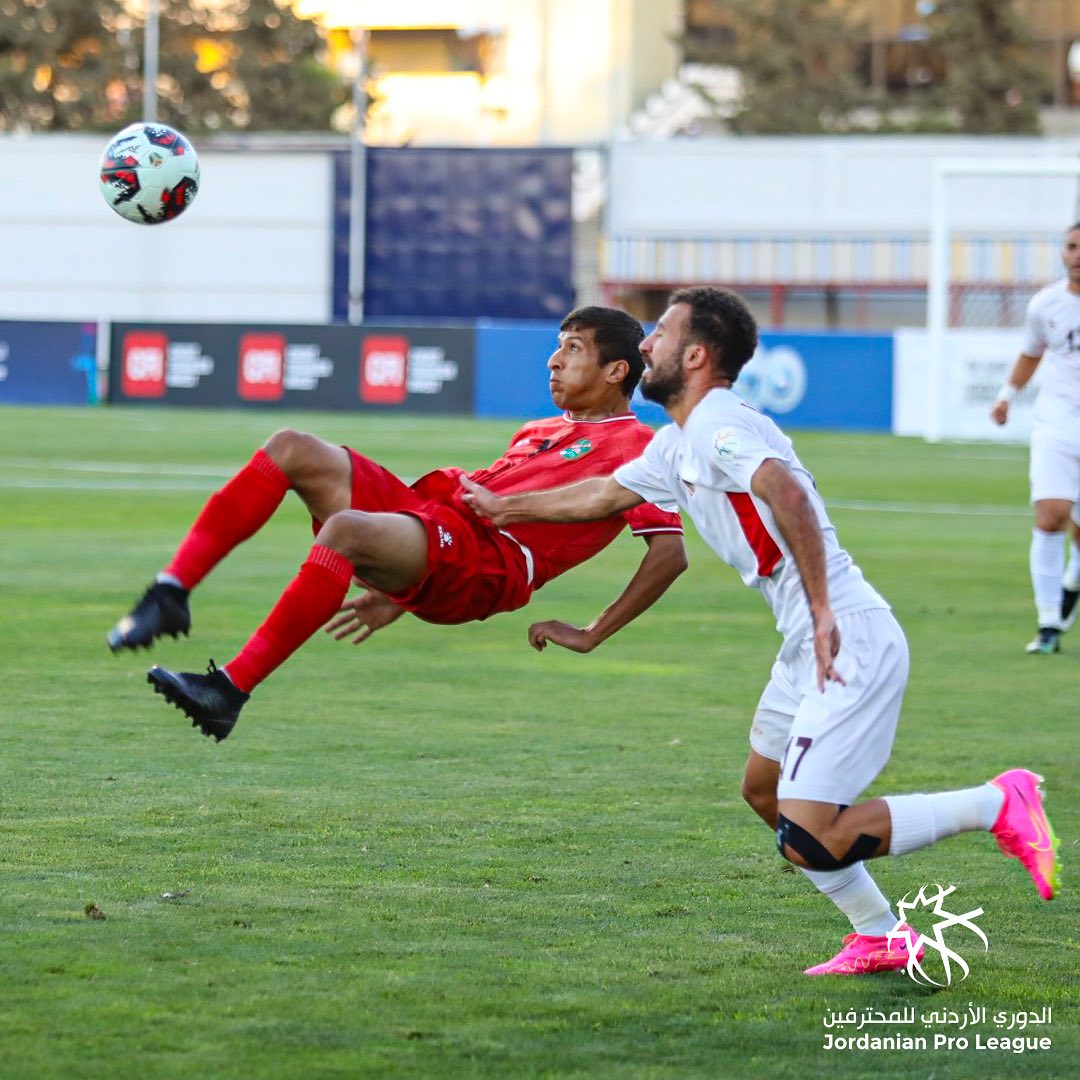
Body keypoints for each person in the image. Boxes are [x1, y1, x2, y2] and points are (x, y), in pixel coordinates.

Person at [462, 285, 1061, 976]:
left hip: (844, 635)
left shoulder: (719, 426)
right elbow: (602, 494)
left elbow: (785, 489)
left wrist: (824, 610)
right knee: (765, 793)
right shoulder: (676, 441)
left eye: (659, 333)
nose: (645, 343)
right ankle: (880, 934)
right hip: (804, 639)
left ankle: (998, 801)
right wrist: (505, 509)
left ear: (693, 355)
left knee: (812, 834)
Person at [108, 305, 686, 741]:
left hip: (491, 563)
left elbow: (669, 553)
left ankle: (228, 690)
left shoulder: (639, 446)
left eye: (573, 348)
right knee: (292, 448)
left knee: (346, 532)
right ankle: (171, 591)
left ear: (615, 370)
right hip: (443, 527)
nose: (554, 360)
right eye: (557, 347)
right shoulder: (536, 430)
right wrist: (400, 595)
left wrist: (591, 633)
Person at [990, 222, 1080, 655]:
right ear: (1062, 253)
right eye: (1071, 246)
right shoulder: (1045, 305)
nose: (1077, 254)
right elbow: (1031, 353)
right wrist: (1007, 396)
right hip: (1057, 425)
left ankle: (1073, 578)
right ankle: (1048, 625)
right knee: (1051, 516)